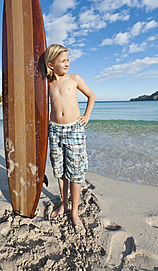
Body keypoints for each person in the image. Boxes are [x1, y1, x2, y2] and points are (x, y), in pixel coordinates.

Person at [44, 44, 95, 229]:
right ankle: (64, 205)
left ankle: (75, 213)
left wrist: (87, 116)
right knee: (59, 171)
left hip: (74, 130)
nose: (67, 63)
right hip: (54, 130)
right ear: (51, 64)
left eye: (68, 60)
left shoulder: (74, 79)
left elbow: (91, 96)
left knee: (75, 173)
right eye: (63, 61)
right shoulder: (47, 84)